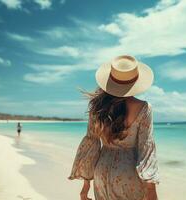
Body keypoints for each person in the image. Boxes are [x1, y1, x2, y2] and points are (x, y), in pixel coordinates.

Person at [68, 55, 159, 200]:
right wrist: (151, 188)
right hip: (129, 173)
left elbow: (91, 144)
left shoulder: (97, 108)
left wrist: (86, 186)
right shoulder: (143, 108)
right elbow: (146, 148)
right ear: (135, 82)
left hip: (101, 171)